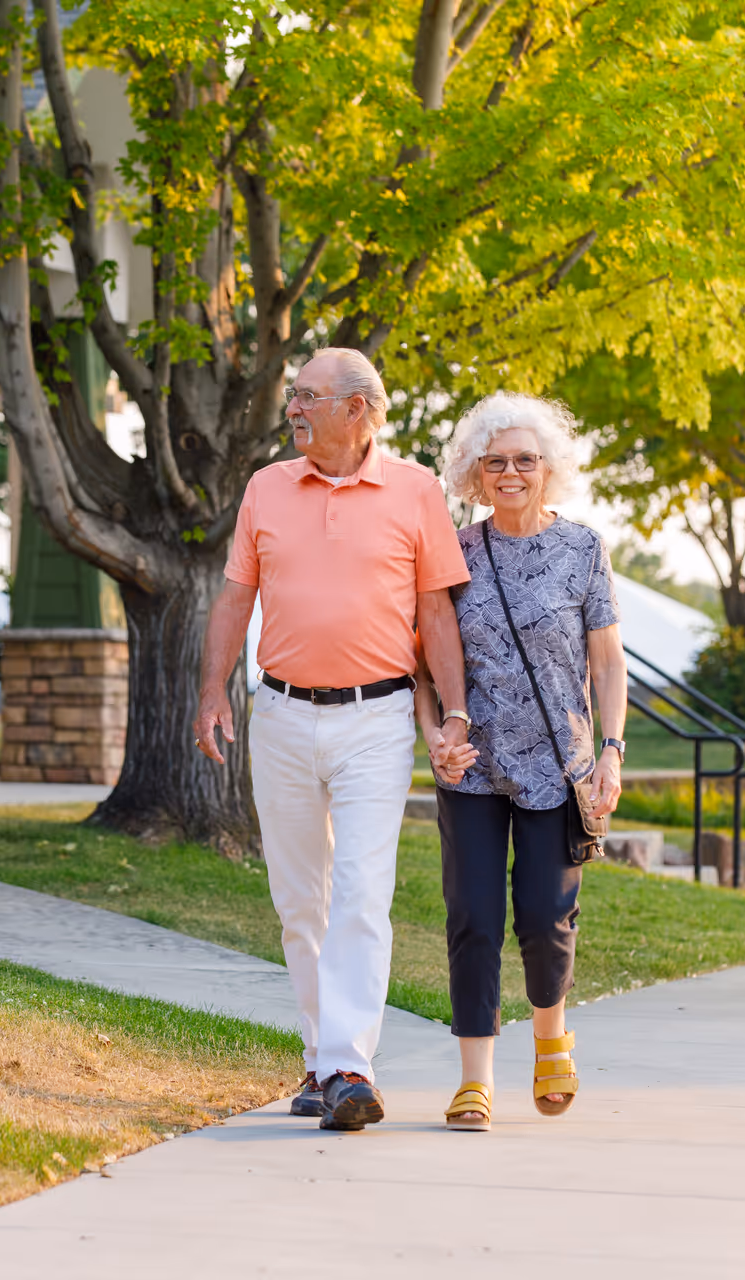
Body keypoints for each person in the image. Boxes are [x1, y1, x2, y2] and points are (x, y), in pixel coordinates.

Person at [192, 348, 473, 1132]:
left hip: (376, 719)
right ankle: (321, 1061)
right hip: (279, 714)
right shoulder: (265, 489)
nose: (293, 409)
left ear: (358, 410)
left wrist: (456, 714)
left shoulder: (417, 491)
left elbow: (439, 615)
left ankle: (351, 1064)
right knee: (299, 901)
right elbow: (234, 597)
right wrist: (213, 689)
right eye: (293, 396)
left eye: (308, 396)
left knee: (359, 892)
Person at [414, 392, 626, 1132]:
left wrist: (610, 753)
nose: (510, 472)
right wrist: (435, 734)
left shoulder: (584, 550)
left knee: (543, 915)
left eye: (525, 460)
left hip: (557, 768)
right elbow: (424, 665)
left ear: (549, 470)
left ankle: (550, 1037)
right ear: (474, 474)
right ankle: (476, 1078)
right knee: (473, 915)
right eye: (495, 461)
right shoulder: (453, 553)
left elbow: (607, 666)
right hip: (473, 765)